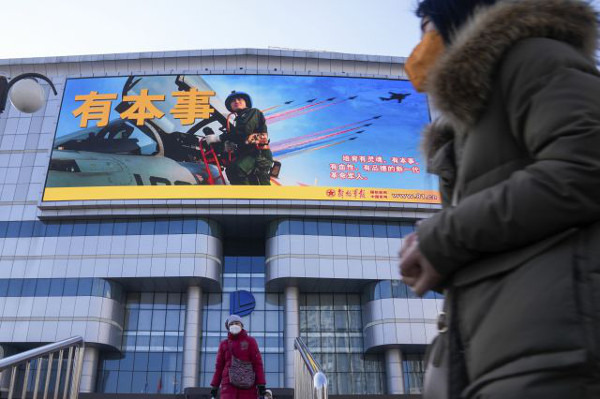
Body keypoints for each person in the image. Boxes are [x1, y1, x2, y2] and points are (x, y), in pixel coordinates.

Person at [399, 0, 600, 398]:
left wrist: (444, 238)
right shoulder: (471, 121)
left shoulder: (535, 57)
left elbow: (586, 165)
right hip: (513, 353)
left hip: (558, 353)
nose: (420, 45)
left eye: (426, 24)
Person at [205, 91, 273, 185]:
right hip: (248, 153)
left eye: (239, 99)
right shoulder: (237, 121)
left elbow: (244, 131)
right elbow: (240, 138)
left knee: (237, 169)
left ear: (246, 102)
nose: (236, 101)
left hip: (258, 154)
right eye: (233, 101)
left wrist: (218, 138)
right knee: (232, 170)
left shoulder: (253, 112)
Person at [210, 315, 267, 399]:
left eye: (237, 323)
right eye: (231, 324)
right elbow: (219, 367)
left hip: (248, 385)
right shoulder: (224, 344)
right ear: (228, 327)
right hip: (228, 386)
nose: (234, 325)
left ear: (241, 325)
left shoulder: (250, 341)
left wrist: (261, 384)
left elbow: (257, 364)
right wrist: (215, 386)